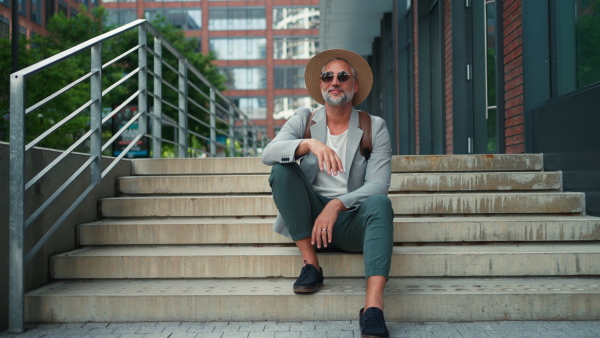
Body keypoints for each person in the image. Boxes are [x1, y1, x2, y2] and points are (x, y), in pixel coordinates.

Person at [261, 49, 394, 337]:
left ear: (354, 86)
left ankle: (373, 307)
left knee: (381, 204)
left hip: (349, 219)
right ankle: (311, 265)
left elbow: (378, 185)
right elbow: (268, 153)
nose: (335, 81)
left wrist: (336, 205)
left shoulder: (374, 126)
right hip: (308, 220)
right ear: (321, 85)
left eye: (343, 76)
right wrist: (309, 145)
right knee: (281, 170)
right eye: (328, 76)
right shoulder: (305, 119)